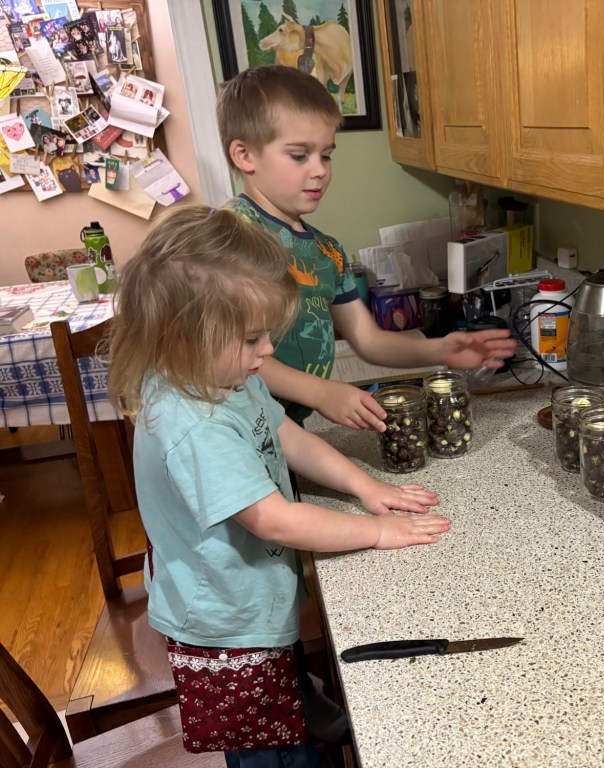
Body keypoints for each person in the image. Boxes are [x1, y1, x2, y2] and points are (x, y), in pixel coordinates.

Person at [105, 205, 452, 766]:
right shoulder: (194, 424)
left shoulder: (222, 375)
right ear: (181, 335)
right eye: (251, 338)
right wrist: (377, 532)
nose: (267, 350)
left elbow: (286, 434)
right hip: (227, 629)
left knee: (290, 708)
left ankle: (305, 706)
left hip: (252, 599)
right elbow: (274, 519)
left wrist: (363, 486)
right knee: (271, 753)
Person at [215, 65, 517, 431]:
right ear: (245, 155)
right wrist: (321, 393)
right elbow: (229, 352)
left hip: (287, 429)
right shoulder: (229, 236)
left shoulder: (327, 251)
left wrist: (439, 350)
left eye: (326, 155)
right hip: (234, 427)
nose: (320, 170)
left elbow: (368, 340)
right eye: (299, 155)